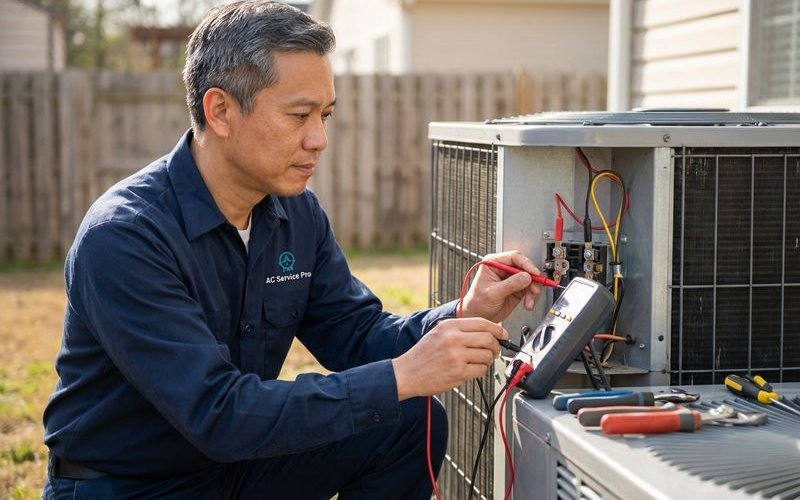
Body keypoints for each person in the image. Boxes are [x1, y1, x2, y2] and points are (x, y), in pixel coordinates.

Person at [42, 2, 543, 499]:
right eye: (299, 115)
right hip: (126, 485)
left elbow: (357, 334)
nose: (319, 139)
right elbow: (217, 412)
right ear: (220, 111)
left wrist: (461, 314)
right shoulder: (126, 235)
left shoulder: (295, 214)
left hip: (237, 466)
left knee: (407, 421)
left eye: (324, 115)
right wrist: (402, 375)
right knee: (395, 394)